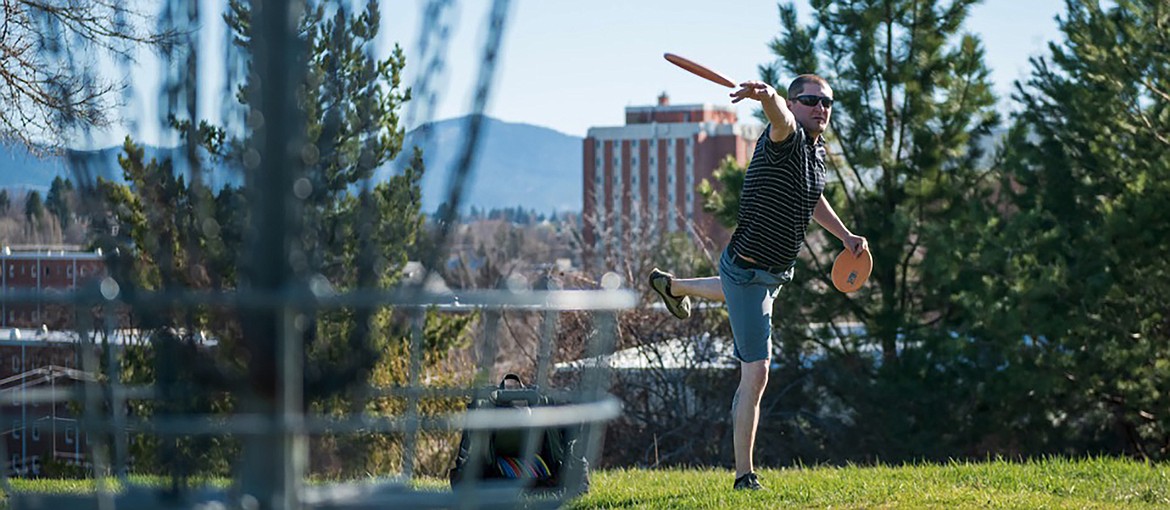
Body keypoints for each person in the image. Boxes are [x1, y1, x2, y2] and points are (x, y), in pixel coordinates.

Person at [648, 74, 867, 491]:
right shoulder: (784, 139)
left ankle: (673, 287)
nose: (821, 108)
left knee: (739, 296)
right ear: (793, 102)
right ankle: (744, 476)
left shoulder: (816, 152)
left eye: (827, 103)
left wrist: (845, 236)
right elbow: (781, 121)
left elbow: (812, 194)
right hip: (748, 269)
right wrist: (768, 97)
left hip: (773, 274)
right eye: (810, 100)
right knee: (757, 373)